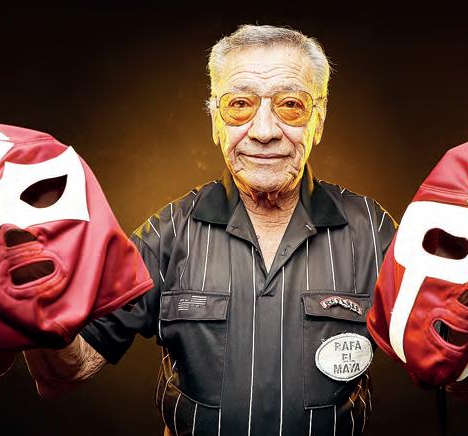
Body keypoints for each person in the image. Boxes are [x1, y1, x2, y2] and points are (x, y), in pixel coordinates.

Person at [24, 24, 397, 436]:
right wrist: (30, 296)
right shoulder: (168, 233)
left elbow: (441, 356)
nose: (264, 131)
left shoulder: (371, 229)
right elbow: (68, 370)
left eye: (291, 105)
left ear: (319, 121)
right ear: (216, 122)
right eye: (240, 105)